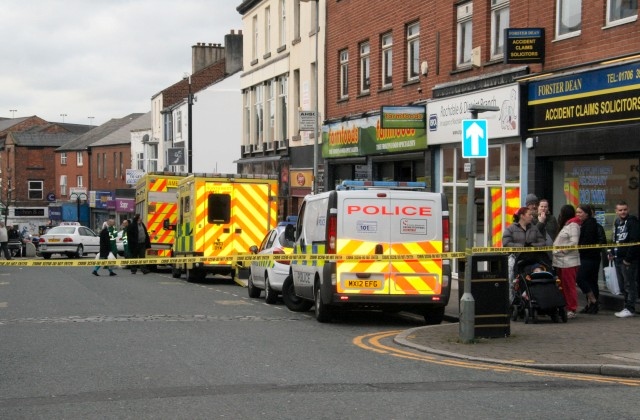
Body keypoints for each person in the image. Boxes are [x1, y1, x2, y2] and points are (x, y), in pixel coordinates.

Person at [608, 200, 640, 318]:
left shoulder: (632, 222)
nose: (623, 212)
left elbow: (634, 241)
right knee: (623, 285)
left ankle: (630, 308)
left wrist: (628, 258)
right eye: (620, 210)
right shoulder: (617, 222)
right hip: (617, 258)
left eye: (625, 209)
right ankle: (626, 306)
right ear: (616, 211)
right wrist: (611, 251)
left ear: (628, 209)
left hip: (628, 260)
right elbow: (615, 239)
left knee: (629, 284)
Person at [552, 204, 581, 319]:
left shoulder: (573, 225)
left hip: (568, 261)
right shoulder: (567, 225)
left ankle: (572, 308)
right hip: (561, 262)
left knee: (569, 286)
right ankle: (565, 306)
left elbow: (574, 242)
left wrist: (562, 250)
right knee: (562, 286)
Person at [576, 204, 601, 314]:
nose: (578, 215)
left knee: (580, 278)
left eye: (580, 212)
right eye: (577, 212)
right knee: (591, 281)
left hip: (589, 257)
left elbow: (586, 242)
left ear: (587, 213)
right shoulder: (585, 223)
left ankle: (593, 301)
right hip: (590, 257)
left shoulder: (590, 224)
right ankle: (591, 305)